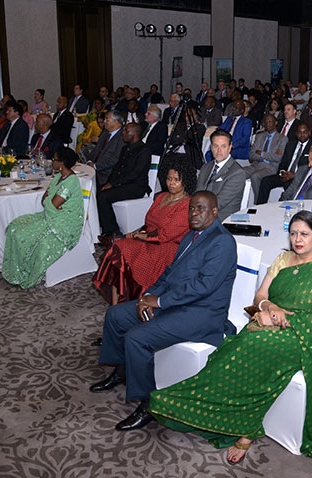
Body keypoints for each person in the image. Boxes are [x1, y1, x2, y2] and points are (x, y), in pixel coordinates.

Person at [150, 211, 312, 462]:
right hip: (264, 326)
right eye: (293, 233)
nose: (298, 239)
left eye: (304, 234)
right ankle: (198, 404)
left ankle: (246, 429)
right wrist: (269, 309)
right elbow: (259, 296)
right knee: (234, 350)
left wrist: (278, 320)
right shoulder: (283, 260)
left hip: (301, 339)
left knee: (254, 346)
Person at [88, 192, 237, 433]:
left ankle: (149, 405)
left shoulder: (222, 242)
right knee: (116, 315)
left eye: (200, 209)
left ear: (215, 212)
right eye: (191, 209)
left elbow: (203, 287)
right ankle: (121, 370)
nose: (194, 214)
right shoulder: (191, 236)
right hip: (176, 303)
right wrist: (148, 297)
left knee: (138, 337)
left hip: (201, 313)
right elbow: (169, 273)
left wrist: (161, 301)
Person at [93, 160, 195, 305]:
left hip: (166, 247)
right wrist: (136, 233)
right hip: (148, 239)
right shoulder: (161, 196)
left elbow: (165, 235)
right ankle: (116, 302)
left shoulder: (186, 205)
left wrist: (139, 236)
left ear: (185, 182)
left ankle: (122, 300)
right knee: (117, 251)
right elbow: (148, 223)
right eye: (169, 178)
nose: (171, 183)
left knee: (120, 249)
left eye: (176, 180)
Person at [2, 147, 84, 289]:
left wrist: (50, 201)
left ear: (62, 163)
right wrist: (50, 201)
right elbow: (45, 201)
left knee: (22, 234)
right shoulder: (58, 177)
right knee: (14, 227)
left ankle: (26, 274)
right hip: (52, 216)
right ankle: (15, 272)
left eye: (54, 159)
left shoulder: (70, 182)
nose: (51, 161)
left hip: (63, 223)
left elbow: (51, 203)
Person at [96, 123, 152, 240]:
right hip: (123, 184)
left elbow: (135, 174)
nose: (123, 133)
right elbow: (117, 169)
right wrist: (109, 182)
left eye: (126, 131)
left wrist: (113, 184)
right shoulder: (125, 148)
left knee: (103, 196)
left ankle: (113, 231)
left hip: (136, 186)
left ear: (134, 134)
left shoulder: (144, 150)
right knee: (99, 190)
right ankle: (104, 226)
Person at [243, 114, 287, 196]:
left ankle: (258, 203)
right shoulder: (259, 136)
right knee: (239, 172)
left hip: (270, 167)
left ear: (276, 123)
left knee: (255, 176)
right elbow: (251, 154)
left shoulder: (282, 139)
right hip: (255, 165)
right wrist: (265, 157)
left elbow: (278, 157)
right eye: (266, 122)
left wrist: (262, 153)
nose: (268, 124)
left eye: (270, 121)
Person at [85, 109, 125, 186]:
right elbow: (96, 150)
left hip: (105, 174)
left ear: (116, 122)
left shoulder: (122, 137)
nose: (104, 121)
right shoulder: (105, 133)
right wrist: (89, 161)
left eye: (107, 119)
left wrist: (96, 166)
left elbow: (115, 159)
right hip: (93, 169)